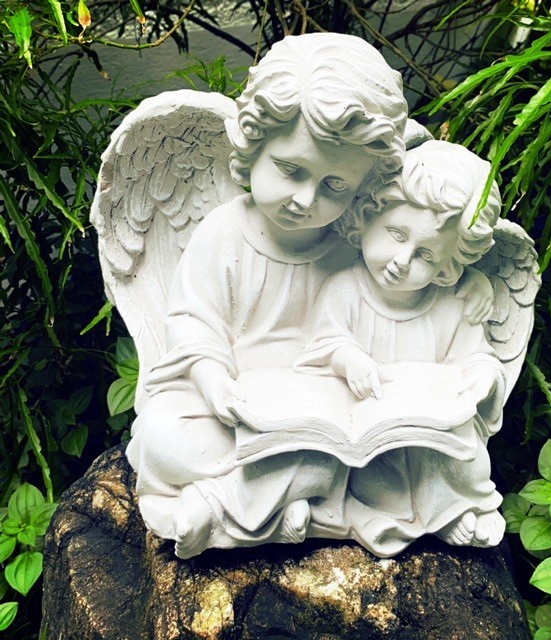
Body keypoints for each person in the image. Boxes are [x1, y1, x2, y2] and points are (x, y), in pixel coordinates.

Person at [125, 32, 409, 558]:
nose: (305, 199)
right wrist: (215, 384)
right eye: (291, 170)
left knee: (352, 453)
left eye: (335, 186)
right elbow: (192, 323)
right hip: (229, 409)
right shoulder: (222, 233)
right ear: (252, 147)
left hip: (311, 418)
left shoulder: (353, 251)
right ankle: (301, 507)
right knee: (164, 439)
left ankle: (221, 505)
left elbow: (372, 329)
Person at [295, 140, 507, 556]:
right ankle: (373, 512)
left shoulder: (451, 305)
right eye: (396, 235)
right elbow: (323, 342)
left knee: (466, 459)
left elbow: (478, 356)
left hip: (431, 441)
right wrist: (347, 358)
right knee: (375, 480)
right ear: (368, 216)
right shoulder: (345, 288)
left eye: (425, 255)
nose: (401, 261)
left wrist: (482, 376)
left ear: (448, 265)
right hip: (369, 436)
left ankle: (451, 510)